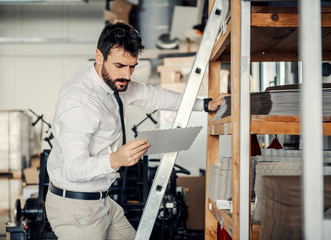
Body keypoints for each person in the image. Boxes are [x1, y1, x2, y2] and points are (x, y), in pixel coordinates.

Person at [45, 20, 227, 240]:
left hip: (101, 200)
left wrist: (204, 104)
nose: (128, 75)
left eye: (133, 66)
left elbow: (152, 95)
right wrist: (115, 159)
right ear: (99, 56)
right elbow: (72, 170)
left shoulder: (110, 81)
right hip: (76, 208)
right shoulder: (80, 102)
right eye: (120, 66)